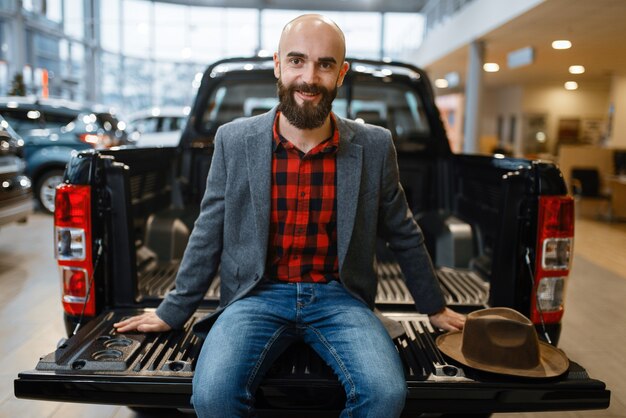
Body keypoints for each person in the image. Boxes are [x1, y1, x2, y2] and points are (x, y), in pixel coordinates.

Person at [114, 14, 466, 418]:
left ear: (341, 73)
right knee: (212, 397)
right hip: (255, 296)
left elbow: (404, 232)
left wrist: (435, 307)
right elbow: (208, 230)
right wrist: (170, 311)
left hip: (341, 300)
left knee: (385, 395)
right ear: (279, 66)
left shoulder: (373, 145)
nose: (309, 77)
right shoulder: (234, 140)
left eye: (325, 64)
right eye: (297, 61)